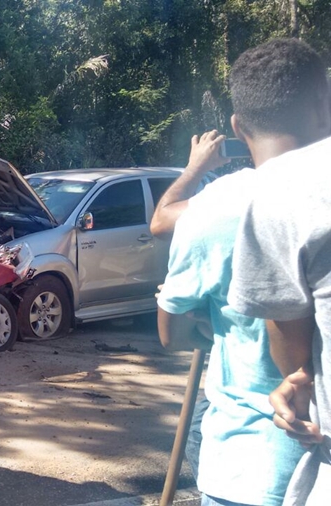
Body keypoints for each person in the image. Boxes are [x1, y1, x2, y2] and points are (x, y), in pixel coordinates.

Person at [158, 38, 330, 506]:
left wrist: (195, 167)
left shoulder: (219, 204)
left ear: (237, 125)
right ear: (324, 104)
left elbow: (162, 221)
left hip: (247, 461)